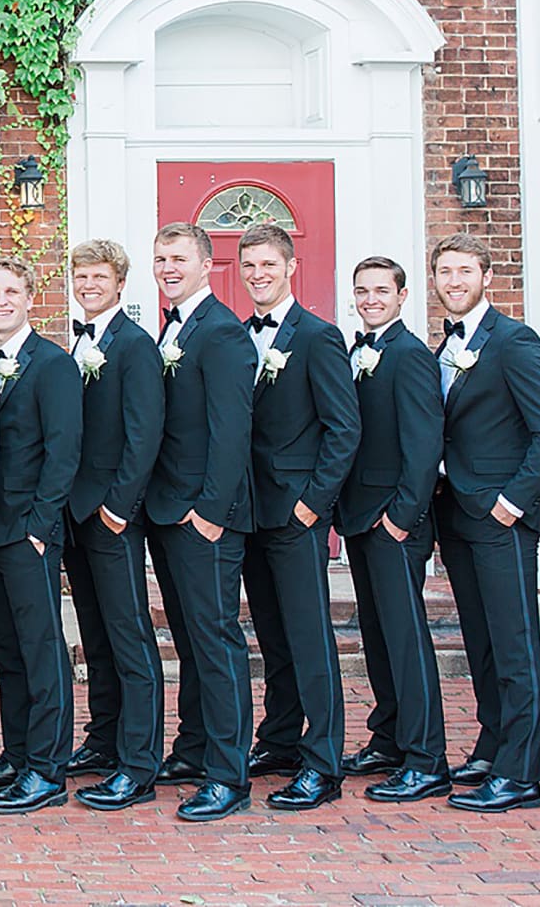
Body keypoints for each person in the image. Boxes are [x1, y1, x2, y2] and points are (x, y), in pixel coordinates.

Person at [429, 233, 540, 814]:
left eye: (465, 271)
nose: (454, 282)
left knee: (515, 644)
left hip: (500, 518)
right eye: (445, 272)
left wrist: (513, 502)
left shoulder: (514, 341)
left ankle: (519, 773)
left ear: (487, 277)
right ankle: (492, 747)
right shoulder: (445, 344)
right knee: (482, 640)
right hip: (457, 514)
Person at [234, 224, 360, 810]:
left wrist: (313, 504)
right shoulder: (238, 337)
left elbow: (343, 429)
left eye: (268, 264)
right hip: (247, 511)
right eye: (249, 265)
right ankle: (280, 739)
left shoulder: (318, 336)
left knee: (310, 638)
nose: (257, 274)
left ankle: (323, 762)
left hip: (295, 512)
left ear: (290, 267)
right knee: (272, 634)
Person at [145, 223, 257, 822]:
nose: (168, 267)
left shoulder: (222, 332)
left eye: (179, 258)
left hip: (204, 516)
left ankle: (228, 773)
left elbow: (231, 430)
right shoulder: (173, 327)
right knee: (188, 639)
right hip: (168, 509)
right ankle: (192, 749)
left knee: (216, 641)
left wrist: (212, 513)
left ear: (207, 264)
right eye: (160, 258)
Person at [0, 258, 82, 815]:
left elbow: (64, 452)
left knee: (42, 651)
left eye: (11, 291)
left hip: (28, 531)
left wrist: (40, 526)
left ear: (31, 298)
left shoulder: (53, 364)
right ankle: (16, 754)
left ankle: (47, 769)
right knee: (7, 651)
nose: (1, 300)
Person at [337, 256, 450, 804]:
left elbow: (425, 445)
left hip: (394, 521)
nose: (371, 299)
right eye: (363, 290)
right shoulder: (358, 350)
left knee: (406, 639)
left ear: (402, 296)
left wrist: (402, 518)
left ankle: (427, 759)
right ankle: (388, 739)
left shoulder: (411, 355)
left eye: (381, 290)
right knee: (378, 634)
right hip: (360, 517)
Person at [61, 241, 165, 813]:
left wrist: (119, 508)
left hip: (112, 515)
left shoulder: (134, 345)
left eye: (99, 277)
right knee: (96, 636)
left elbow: (144, 433)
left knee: (129, 638)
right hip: (76, 514)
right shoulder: (79, 342)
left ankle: (139, 764)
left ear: (120, 283)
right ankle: (103, 740)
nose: (89, 285)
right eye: (81, 276)